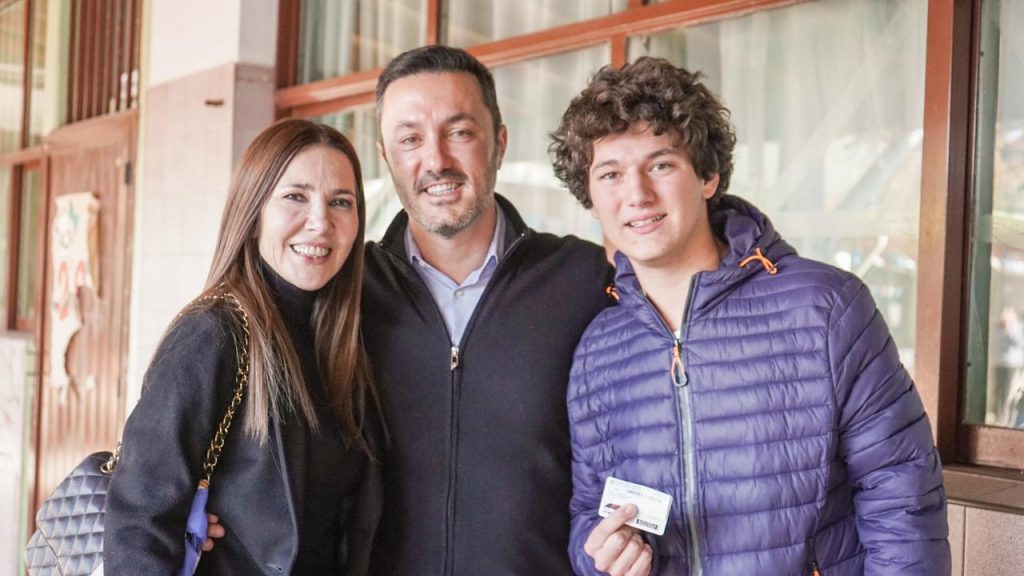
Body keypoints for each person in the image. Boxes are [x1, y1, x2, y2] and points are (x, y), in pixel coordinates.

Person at [549, 57, 951, 576]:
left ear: (708, 176)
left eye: (661, 165)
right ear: (590, 197)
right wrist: (602, 557)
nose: (637, 195)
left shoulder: (825, 308)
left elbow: (902, 496)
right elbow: (591, 510)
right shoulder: (598, 349)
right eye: (610, 174)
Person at [361, 45, 613, 575]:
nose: (436, 161)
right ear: (386, 156)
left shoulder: (584, 279)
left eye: (459, 132)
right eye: (410, 139)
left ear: (499, 142)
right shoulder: (348, 292)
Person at [104, 119, 381, 575]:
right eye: (295, 197)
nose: (320, 222)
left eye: (340, 202)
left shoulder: (343, 342)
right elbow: (138, 521)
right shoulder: (213, 334)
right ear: (253, 214)